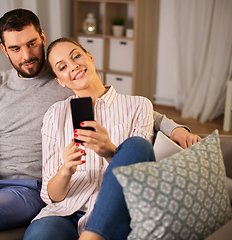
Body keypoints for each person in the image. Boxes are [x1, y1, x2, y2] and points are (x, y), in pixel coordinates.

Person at [0, 8, 199, 240]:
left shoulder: (63, 78)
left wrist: (174, 127)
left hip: (27, 188)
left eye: (33, 44)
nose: (28, 55)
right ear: (4, 50)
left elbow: (123, 107)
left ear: (42, 38)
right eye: (17, 49)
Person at [23, 37, 156, 240]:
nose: (74, 66)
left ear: (90, 57)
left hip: (118, 214)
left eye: (76, 56)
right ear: (60, 80)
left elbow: (140, 173)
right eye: (62, 67)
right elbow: (51, 195)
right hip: (65, 213)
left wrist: (110, 151)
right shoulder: (55, 114)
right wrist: (66, 169)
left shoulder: (139, 106)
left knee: (136, 145)